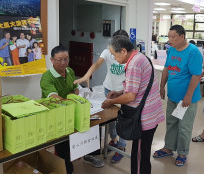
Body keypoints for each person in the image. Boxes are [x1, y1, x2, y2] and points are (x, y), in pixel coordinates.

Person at [101, 35, 165, 174]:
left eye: (114, 55)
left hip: (144, 118)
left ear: (123, 51)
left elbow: (130, 96)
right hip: (151, 112)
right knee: (142, 153)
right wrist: (119, 92)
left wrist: (111, 102)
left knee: (139, 157)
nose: (115, 59)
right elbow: (137, 86)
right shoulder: (140, 57)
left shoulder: (133, 64)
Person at [40, 46, 103, 174]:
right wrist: (73, 100)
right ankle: (67, 168)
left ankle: (89, 155)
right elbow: (54, 98)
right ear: (52, 60)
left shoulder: (69, 71)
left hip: (72, 109)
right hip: (56, 113)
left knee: (94, 125)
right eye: (59, 60)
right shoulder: (47, 77)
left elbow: (75, 88)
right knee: (63, 142)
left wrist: (75, 94)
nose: (63, 63)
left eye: (66, 59)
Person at [74, 30, 129, 164]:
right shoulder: (108, 51)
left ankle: (121, 146)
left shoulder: (130, 55)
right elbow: (97, 64)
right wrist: (87, 75)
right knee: (110, 117)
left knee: (122, 119)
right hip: (109, 89)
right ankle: (114, 140)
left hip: (124, 91)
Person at [153, 25, 203, 167]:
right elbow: (166, 69)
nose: (170, 40)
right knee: (171, 123)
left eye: (173, 37)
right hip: (173, 96)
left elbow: (196, 75)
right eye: (168, 37)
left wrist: (188, 96)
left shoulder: (193, 52)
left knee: (184, 127)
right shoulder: (172, 50)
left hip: (186, 99)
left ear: (182, 36)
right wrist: (162, 87)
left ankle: (182, 153)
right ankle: (168, 147)